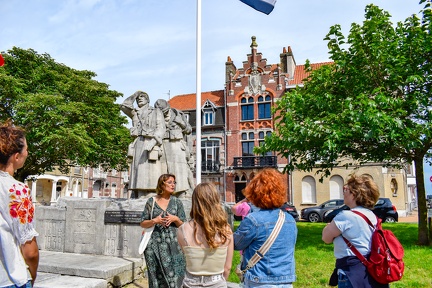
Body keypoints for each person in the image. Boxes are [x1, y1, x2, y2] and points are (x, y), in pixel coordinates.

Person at [322, 174, 389, 288]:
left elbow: (326, 238)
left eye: (346, 189)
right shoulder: (372, 215)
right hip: (371, 272)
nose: (344, 192)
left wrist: (328, 227)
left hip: (351, 274)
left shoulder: (346, 216)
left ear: (355, 194)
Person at [234, 168, 297, 287]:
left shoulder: (253, 220)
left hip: (259, 280)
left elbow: (236, 244)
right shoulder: (290, 220)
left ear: (255, 194)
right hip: (285, 281)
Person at [0, 120, 39, 288]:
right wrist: (32, 274)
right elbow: (30, 250)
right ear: (16, 156)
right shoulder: (17, 190)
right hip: (10, 278)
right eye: (26, 149)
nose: (27, 153)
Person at [177, 183, 234, 287]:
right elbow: (227, 267)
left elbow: (185, 257)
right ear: (216, 200)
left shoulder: (182, 230)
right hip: (217, 282)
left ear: (194, 202)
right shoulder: (226, 230)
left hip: (191, 283)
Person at [140, 174, 186, 288]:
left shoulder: (177, 202)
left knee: (175, 276)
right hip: (153, 245)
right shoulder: (151, 201)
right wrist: (155, 220)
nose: (173, 185)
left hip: (174, 245)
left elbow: (184, 224)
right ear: (162, 184)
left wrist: (175, 219)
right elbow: (142, 222)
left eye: (174, 183)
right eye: (170, 182)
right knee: (155, 276)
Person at [120, 91, 165, 191]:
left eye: (142, 97)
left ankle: (149, 192)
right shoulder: (135, 113)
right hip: (138, 142)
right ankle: (138, 192)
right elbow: (124, 105)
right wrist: (135, 94)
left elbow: (161, 129)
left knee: (149, 172)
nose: (139, 98)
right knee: (137, 170)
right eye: (138, 98)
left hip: (151, 142)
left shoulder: (156, 111)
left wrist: (153, 142)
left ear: (148, 100)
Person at [154, 99, 193, 194]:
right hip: (163, 145)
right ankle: (163, 192)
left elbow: (189, 130)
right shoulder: (156, 117)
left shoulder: (178, 114)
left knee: (180, 170)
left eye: (165, 112)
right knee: (163, 171)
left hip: (177, 145)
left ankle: (182, 192)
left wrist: (181, 123)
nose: (164, 115)